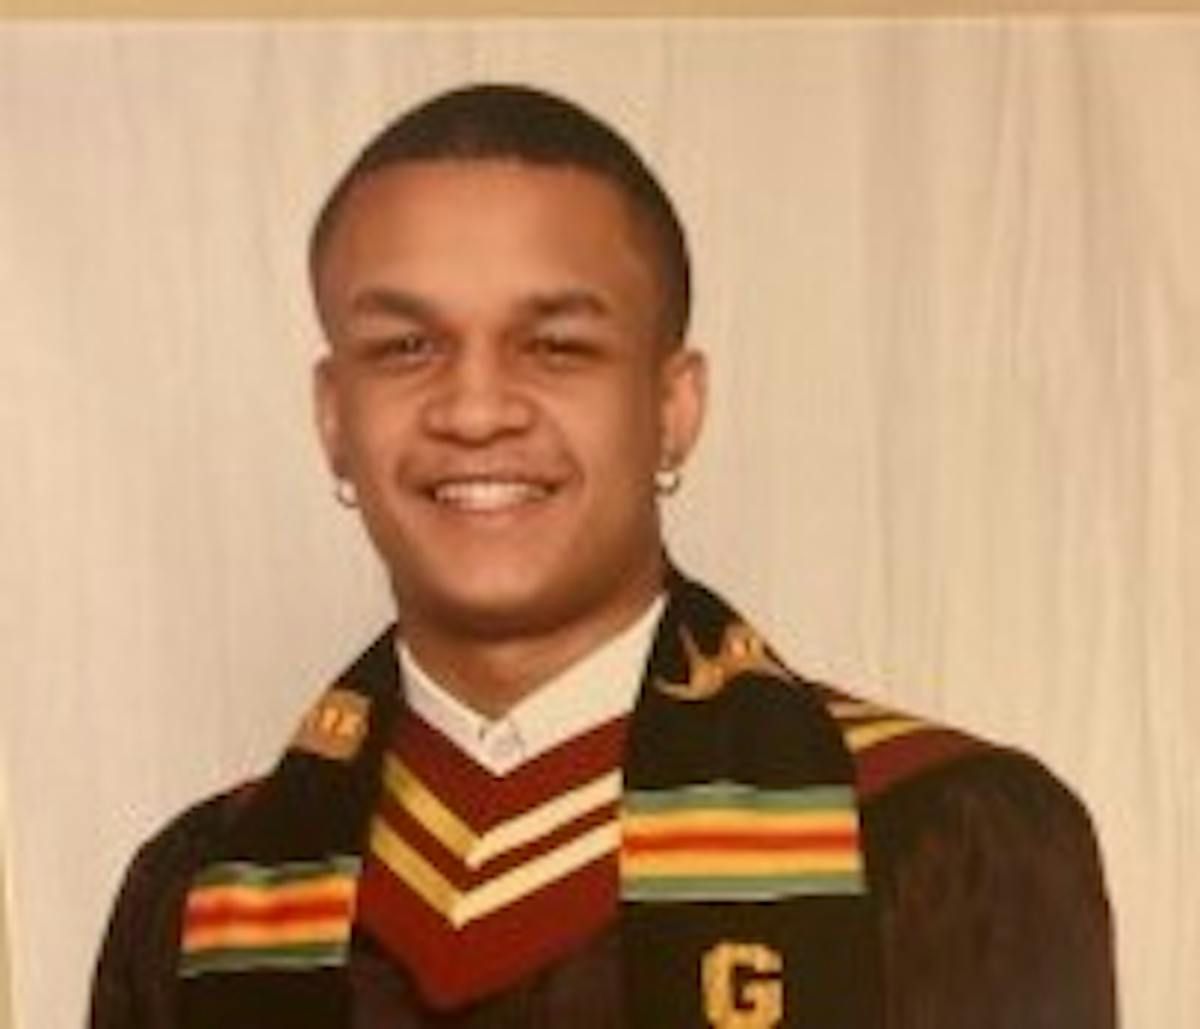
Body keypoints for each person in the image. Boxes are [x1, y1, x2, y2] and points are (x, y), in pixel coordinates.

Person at [90, 83, 1116, 1029]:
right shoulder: (202, 896)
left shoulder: (943, 837)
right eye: (406, 347)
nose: (476, 410)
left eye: (557, 346)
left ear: (673, 408)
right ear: (332, 417)